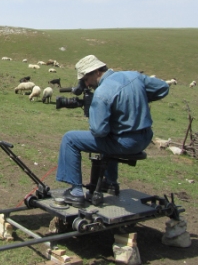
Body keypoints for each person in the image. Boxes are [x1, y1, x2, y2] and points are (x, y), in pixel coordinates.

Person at [56, 55, 169, 207]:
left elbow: (99, 131)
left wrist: (94, 114)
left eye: (85, 79)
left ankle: (76, 193)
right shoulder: (134, 76)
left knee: (70, 138)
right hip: (145, 137)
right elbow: (163, 88)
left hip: (126, 143)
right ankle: (110, 183)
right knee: (110, 135)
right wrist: (137, 99)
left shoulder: (103, 93)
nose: (86, 84)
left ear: (96, 72)